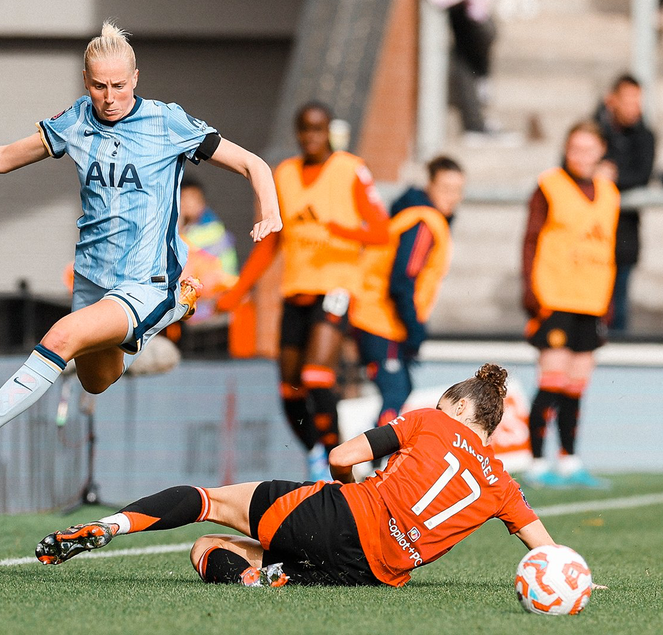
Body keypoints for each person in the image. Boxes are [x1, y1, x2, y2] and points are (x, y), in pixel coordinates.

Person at [0, 23, 281, 477]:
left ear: (136, 79)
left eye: (119, 86)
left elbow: (252, 163)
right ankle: (163, 318)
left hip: (145, 281)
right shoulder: (76, 120)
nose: (110, 97)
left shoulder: (168, 122)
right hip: (92, 281)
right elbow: (2, 158)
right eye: (100, 86)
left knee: (60, 337)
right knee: (97, 380)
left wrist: (270, 209)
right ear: (86, 82)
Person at [36, 364, 556, 589]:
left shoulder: (434, 421)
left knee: (209, 508)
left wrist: (362, 492)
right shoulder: (503, 486)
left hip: (344, 516)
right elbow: (545, 550)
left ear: (460, 404)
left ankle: (113, 526)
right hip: (371, 573)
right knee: (215, 549)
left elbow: (342, 457)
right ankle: (257, 579)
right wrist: (572, 579)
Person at [216, 101, 388, 481]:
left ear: (329, 131)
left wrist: (346, 231)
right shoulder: (285, 174)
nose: (312, 137)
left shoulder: (351, 169)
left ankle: (340, 460)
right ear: (297, 132)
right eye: (305, 129)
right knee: (290, 388)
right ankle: (314, 452)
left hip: (337, 288)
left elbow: (381, 230)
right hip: (296, 292)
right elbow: (270, 241)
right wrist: (238, 291)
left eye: (318, 129)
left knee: (316, 375)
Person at [521, 121, 619, 489]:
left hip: (591, 302)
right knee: (552, 382)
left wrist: (606, 301)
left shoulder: (609, 192)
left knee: (577, 386)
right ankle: (534, 463)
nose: (581, 155)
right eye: (574, 148)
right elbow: (530, 238)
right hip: (555, 298)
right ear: (565, 149)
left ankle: (569, 460)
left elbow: (608, 250)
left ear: (601, 151)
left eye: (588, 149)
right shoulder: (549, 185)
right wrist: (531, 293)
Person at [349, 156, 464, 438]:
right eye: (446, 188)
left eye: (458, 190)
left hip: (379, 317)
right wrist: (414, 329)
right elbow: (402, 279)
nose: (452, 197)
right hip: (379, 319)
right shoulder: (425, 220)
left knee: (400, 389)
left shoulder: (413, 215)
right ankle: (373, 463)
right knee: (395, 390)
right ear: (430, 186)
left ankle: (374, 459)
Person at [593, 73, 656, 333]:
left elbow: (641, 175)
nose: (633, 108)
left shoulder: (646, 136)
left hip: (623, 235)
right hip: (588, 236)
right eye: (627, 100)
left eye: (637, 101)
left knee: (617, 305)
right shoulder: (591, 131)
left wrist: (610, 175)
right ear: (611, 100)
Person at [178, 176, 238, 322]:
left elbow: (225, 275)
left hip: (211, 307)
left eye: (194, 198)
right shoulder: (179, 230)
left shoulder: (214, 233)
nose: (190, 204)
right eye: (184, 198)